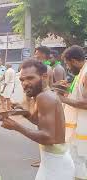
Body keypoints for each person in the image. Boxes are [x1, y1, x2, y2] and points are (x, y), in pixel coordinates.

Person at [1, 59, 74, 180]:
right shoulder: (42, 95)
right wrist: (25, 114)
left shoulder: (44, 97)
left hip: (56, 167)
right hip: (52, 163)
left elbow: (48, 137)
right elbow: (42, 124)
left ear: (44, 77)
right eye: (22, 80)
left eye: (30, 78)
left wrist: (16, 126)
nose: (25, 83)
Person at [59, 45, 87, 180]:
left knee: (79, 164)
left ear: (74, 61)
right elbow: (79, 93)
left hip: (83, 128)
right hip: (77, 126)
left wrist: (62, 99)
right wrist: (67, 88)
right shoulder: (81, 72)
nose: (68, 68)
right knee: (76, 163)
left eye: (68, 64)